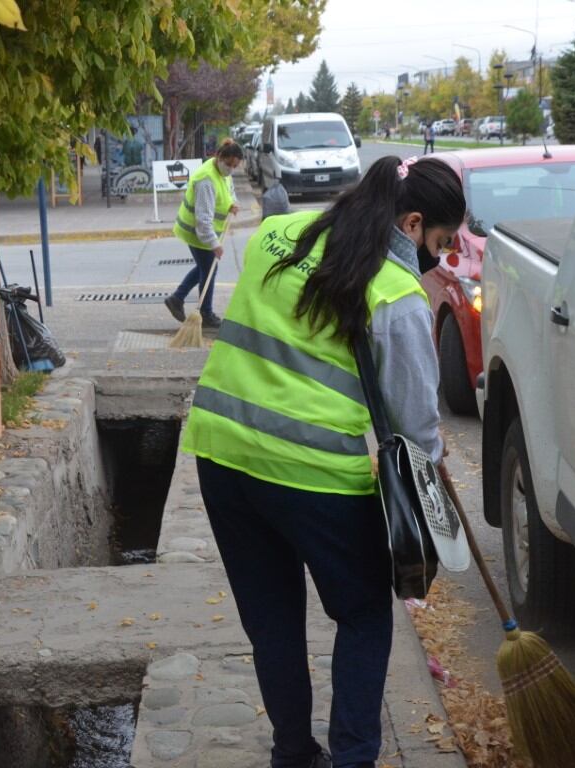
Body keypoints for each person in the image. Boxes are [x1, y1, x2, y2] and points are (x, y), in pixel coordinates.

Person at [180, 155, 465, 768]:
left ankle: (293, 754)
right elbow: (416, 428)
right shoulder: (395, 293)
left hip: (221, 455)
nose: (436, 261)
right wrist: (434, 482)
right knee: (363, 614)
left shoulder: (279, 234)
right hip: (312, 477)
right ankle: (352, 759)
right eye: (438, 245)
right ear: (411, 224)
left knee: (273, 620)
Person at [164, 138, 244, 329]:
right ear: (219, 157)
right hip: (197, 232)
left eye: (235, 166)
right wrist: (215, 244)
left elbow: (229, 189)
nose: (231, 169)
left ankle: (177, 298)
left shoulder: (221, 170)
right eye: (229, 164)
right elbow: (203, 219)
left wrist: (233, 202)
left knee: (205, 268)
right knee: (209, 269)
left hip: (205, 231)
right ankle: (205, 313)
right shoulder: (206, 180)